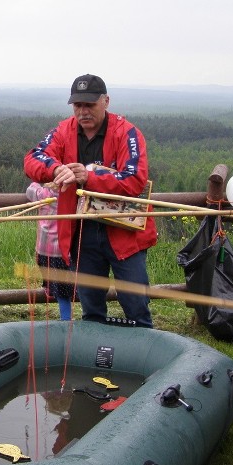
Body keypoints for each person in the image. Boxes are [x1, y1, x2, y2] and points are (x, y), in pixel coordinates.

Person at [23, 74, 156, 327]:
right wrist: (53, 169)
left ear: (105, 101)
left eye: (89, 105)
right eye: (77, 106)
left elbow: (135, 179)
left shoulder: (127, 133)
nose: (83, 112)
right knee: (91, 308)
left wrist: (90, 177)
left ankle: (142, 355)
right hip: (82, 232)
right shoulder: (64, 130)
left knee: (136, 304)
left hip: (124, 233)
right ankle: (97, 362)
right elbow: (33, 158)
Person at [26, 181, 72, 320]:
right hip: (64, 250)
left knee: (54, 281)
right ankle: (66, 317)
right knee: (63, 287)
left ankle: (50, 291)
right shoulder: (71, 196)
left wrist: (35, 181)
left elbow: (30, 191)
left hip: (45, 248)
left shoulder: (44, 193)